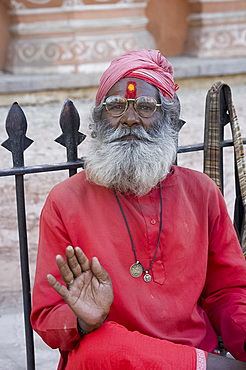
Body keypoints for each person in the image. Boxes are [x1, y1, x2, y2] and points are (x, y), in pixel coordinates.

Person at [31, 49, 246, 369]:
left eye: (146, 106)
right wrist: (82, 321)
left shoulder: (201, 193)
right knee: (102, 346)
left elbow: (228, 293)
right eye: (116, 106)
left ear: (169, 119)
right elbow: (47, 316)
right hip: (113, 361)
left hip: (192, 351)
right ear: (99, 119)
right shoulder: (66, 201)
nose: (130, 117)